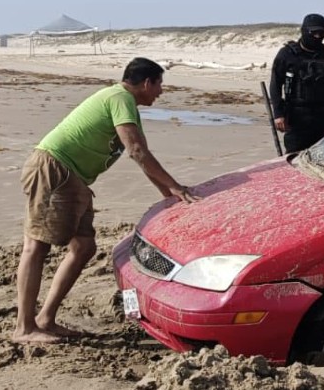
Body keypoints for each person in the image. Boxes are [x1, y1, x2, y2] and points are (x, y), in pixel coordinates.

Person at [13, 57, 199, 345]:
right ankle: (24, 328)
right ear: (146, 83)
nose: (161, 92)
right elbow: (136, 151)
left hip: (74, 178)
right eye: (159, 84)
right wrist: (175, 186)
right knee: (36, 247)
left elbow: (141, 158)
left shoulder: (125, 103)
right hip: (55, 169)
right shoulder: (120, 98)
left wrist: (169, 195)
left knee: (84, 247)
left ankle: (45, 319)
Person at [268, 13, 324, 153]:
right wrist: (278, 113)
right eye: (314, 32)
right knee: (295, 156)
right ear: (304, 31)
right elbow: (275, 84)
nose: (318, 36)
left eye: (321, 33)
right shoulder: (287, 54)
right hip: (297, 116)